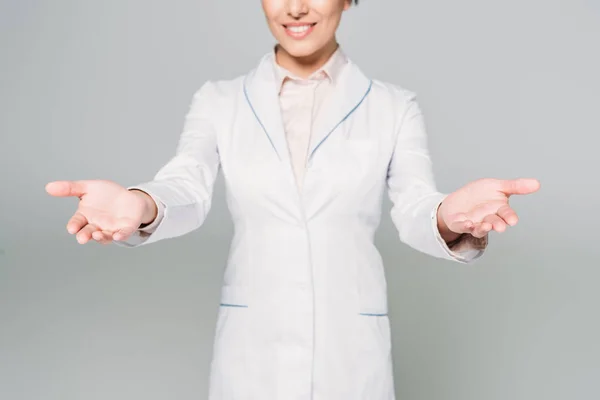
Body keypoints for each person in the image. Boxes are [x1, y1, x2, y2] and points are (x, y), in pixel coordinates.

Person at [45, 0, 540, 398]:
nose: (295, 8)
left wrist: (447, 216)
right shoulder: (219, 100)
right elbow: (187, 186)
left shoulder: (393, 106)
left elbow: (415, 208)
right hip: (252, 349)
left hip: (350, 351)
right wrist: (142, 204)